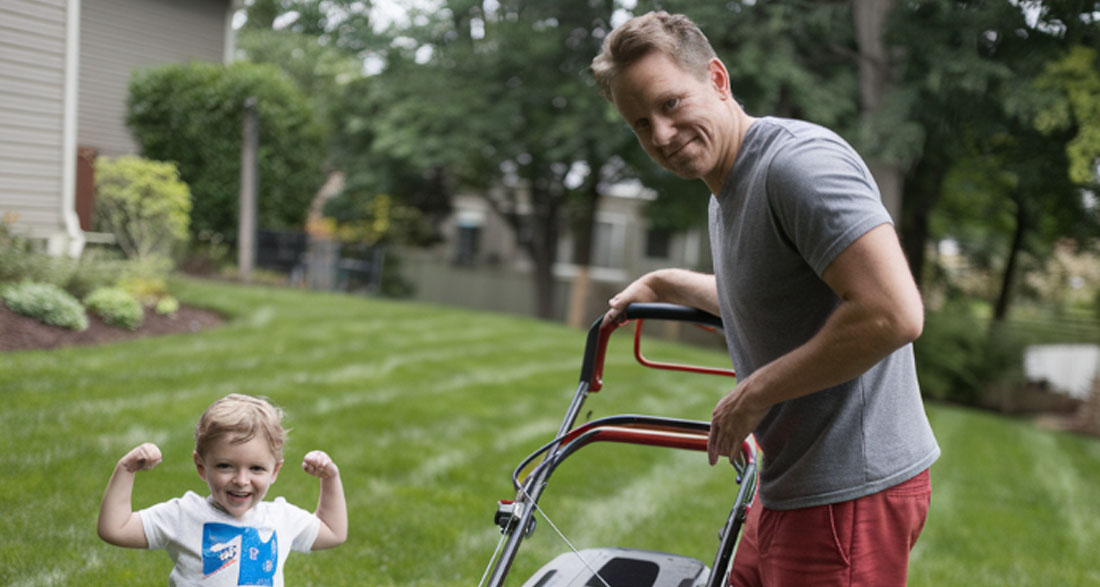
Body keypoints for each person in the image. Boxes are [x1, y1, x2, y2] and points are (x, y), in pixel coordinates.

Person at [591, 11, 940, 586]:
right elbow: (774, 300)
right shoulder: (726, 187)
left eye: (671, 104)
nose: (660, 135)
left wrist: (753, 393)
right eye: (640, 123)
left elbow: (892, 313)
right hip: (790, 487)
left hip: (847, 493)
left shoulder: (797, 165)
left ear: (718, 80)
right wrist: (667, 282)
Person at [97, 393, 347, 586]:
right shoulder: (183, 515)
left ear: (275, 472)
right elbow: (114, 530)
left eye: (256, 468)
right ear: (201, 467)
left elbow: (333, 532)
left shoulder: (281, 518)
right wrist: (126, 470)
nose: (241, 480)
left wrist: (330, 477)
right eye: (225, 466)